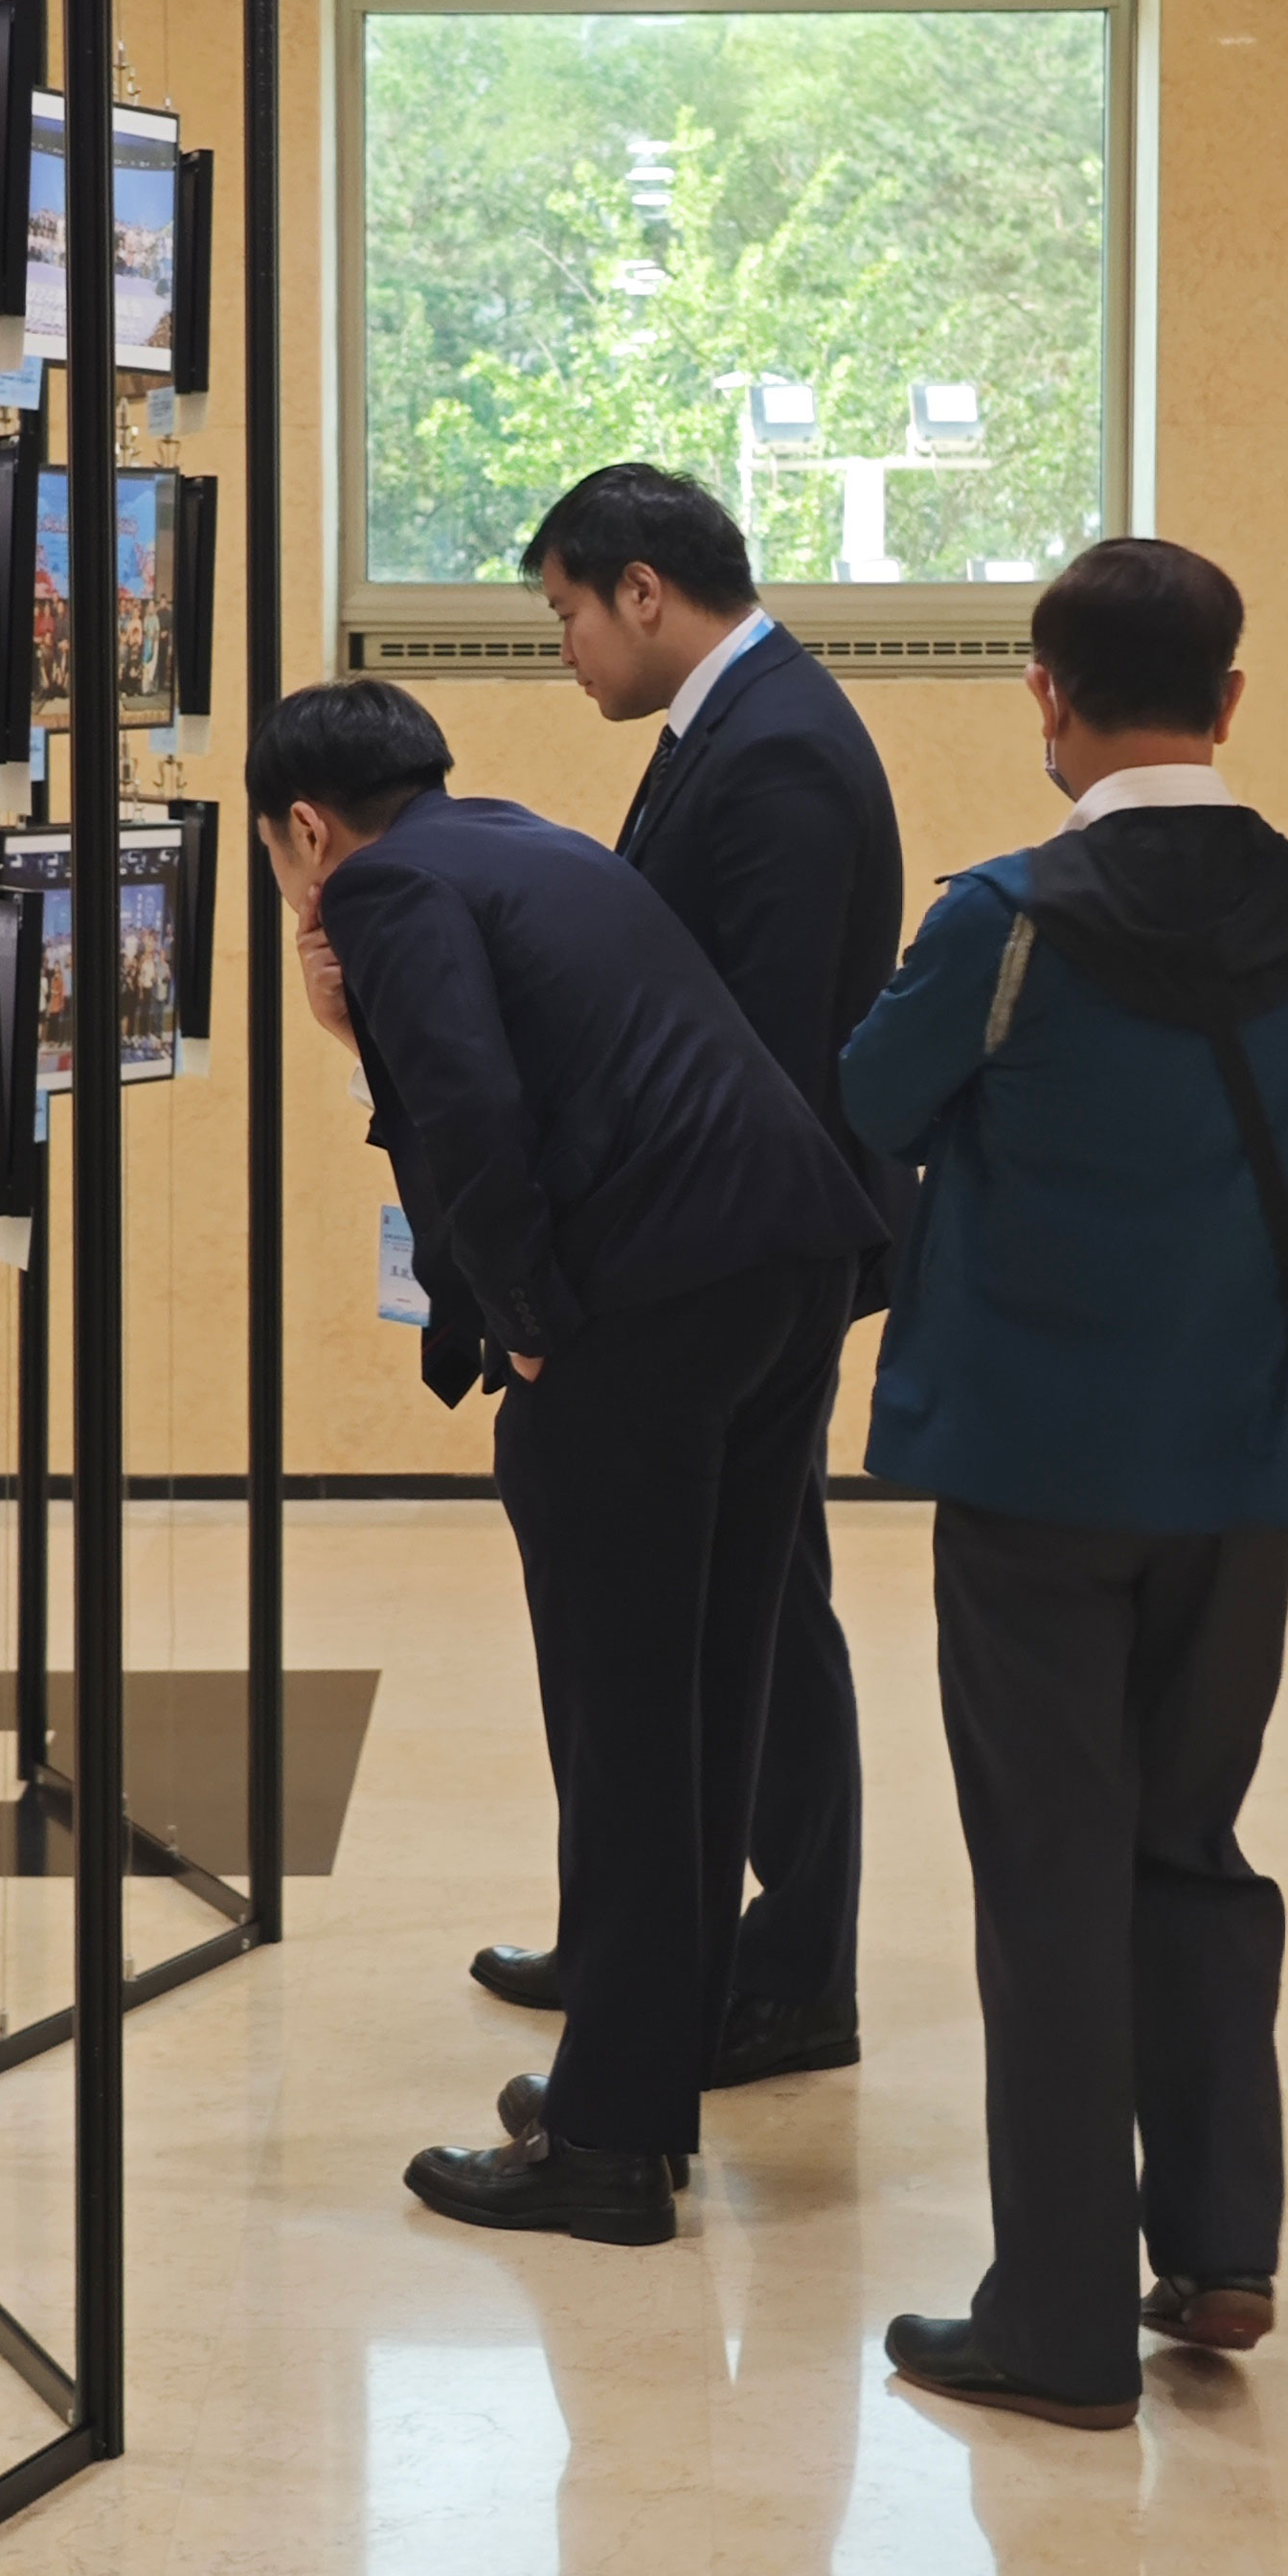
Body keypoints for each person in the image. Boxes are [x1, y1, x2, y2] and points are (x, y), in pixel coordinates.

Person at [844, 537, 1288, 2429]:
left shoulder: (1003, 922)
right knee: (1192, 1839)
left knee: (1050, 1875)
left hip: (1034, 1469)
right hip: (1245, 1464)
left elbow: (868, 1103)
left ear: (1046, 695)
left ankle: (1059, 2321)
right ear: (1228, 698)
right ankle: (1221, 2244)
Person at [253, 677, 880, 2245]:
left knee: (622, 1719)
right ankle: (642, 2079)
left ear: (305, 830)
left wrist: (524, 1319)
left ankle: (604, 2143)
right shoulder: (521, 838)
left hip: (653, 1306)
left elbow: (468, 1108)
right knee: (709, 1697)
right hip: (788, 1264)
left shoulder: (384, 892)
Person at [466, 461, 908, 2088]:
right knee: (732, 1602)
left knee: (765, 1612)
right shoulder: (727, 723)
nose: (565, 650)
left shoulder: (777, 747)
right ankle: (643, 1939)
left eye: (568, 615)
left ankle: (789, 1973)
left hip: (745, 1257)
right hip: (731, 1246)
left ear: (643, 590)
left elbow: (761, 1045)